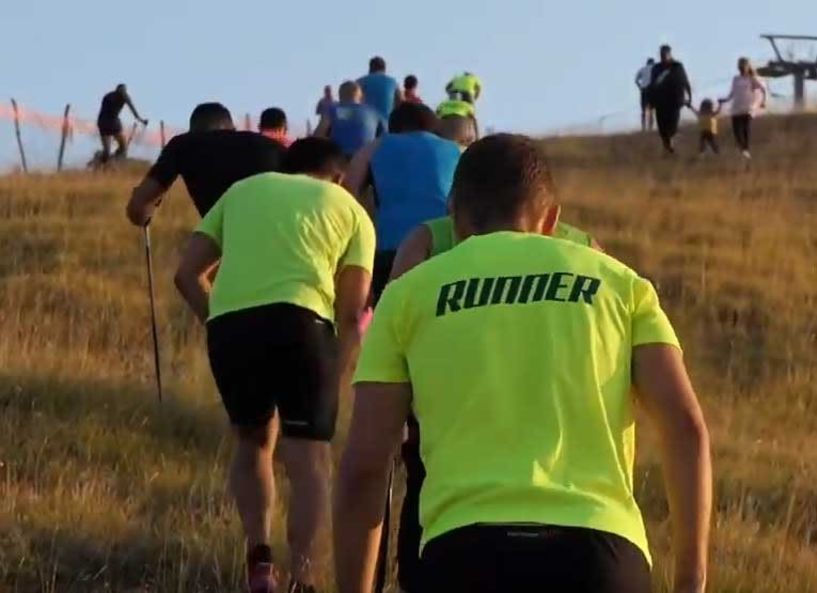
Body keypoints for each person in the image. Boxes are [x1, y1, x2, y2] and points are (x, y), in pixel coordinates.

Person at [335, 134, 712, 593]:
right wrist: (691, 580)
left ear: (453, 213)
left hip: (463, 555)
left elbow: (365, 467)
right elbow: (686, 428)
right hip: (601, 556)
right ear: (552, 219)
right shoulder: (621, 284)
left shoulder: (408, 293)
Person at [174, 137, 375, 593]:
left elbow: (187, 275)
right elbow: (351, 311)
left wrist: (220, 322)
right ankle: (303, 578)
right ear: (338, 176)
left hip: (232, 328)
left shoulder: (242, 190)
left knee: (253, 443)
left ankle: (259, 560)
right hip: (302, 324)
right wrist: (337, 368)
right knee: (307, 459)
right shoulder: (350, 208)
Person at [388, 212, 603, 593]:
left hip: (449, 439)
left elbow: (394, 337)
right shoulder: (582, 245)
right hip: (569, 467)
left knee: (424, 505)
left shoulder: (426, 239)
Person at [343, 102, 461, 301]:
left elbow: (348, 194)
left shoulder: (375, 147)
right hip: (445, 244)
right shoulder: (455, 150)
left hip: (391, 248)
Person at [127, 103, 286, 225]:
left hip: (229, 245)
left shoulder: (184, 145)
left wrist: (146, 213)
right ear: (233, 128)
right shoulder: (270, 146)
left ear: (192, 131)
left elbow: (138, 208)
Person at [314, 81, 387, 158]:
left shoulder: (334, 110)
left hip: (339, 158)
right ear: (360, 96)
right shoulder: (373, 112)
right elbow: (386, 139)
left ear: (339, 96)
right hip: (365, 160)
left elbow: (318, 134)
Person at [719, 57, 768, 159]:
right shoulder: (735, 79)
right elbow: (732, 93)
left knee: (745, 129)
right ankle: (743, 151)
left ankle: (746, 150)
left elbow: (763, 89)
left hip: (748, 108)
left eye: (743, 66)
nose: (741, 68)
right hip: (736, 108)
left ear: (747, 67)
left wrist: (763, 102)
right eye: (739, 66)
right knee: (737, 132)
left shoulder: (752, 78)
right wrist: (725, 100)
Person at [648, 46, 692, 155]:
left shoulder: (677, 67)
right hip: (660, 102)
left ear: (669, 54)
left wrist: (689, 97)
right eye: (661, 54)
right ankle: (667, 147)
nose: (663, 56)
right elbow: (652, 85)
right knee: (662, 127)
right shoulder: (656, 68)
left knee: (672, 125)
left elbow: (685, 81)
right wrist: (651, 101)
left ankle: (670, 145)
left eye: (665, 54)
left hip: (674, 101)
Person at [97, 84, 148, 163]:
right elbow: (133, 110)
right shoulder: (118, 96)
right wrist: (141, 120)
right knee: (117, 148)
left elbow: (133, 110)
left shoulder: (111, 96)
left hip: (107, 123)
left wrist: (141, 120)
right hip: (109, 123)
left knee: (112, 150)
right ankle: (109, 162)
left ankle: (108, 162)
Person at [357, 56, 401, 120]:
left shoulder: (360, 82)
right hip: (388, 123)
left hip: (367, 123)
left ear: (370, 69)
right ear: (384, 69)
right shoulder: (393, 82)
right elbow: (400, 103)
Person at [635, 58, 656, 132]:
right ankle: (650, 127)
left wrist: (640, 87)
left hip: (643, 90)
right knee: (651, 109)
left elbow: (636, 80)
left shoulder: (642, 69)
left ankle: (643, 127)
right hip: (651, 90)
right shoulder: (654, 68)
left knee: (643, 110)